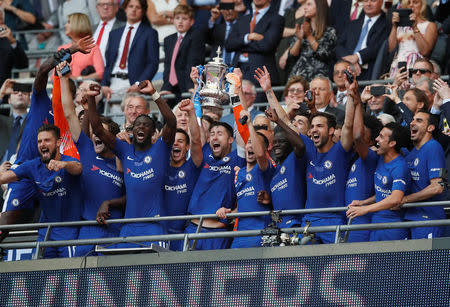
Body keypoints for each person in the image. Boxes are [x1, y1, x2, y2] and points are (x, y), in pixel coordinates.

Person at [1, 39, 92, 232]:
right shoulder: (41, 101)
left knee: (54, 224)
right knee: (6, 222)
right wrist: (69, 50)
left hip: (55, 174)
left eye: (67, 91)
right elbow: (42, 70)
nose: (61, 93)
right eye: (59, 88)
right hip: (26, 171)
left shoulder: (71, 118)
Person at [88, 80, 176, 249]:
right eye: (137, 125)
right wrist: (92, 99)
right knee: (124, 274)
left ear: (151, 132)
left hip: (154, 227)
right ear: (132, 130)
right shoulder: (124, 150)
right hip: (128, 228)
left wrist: (153, 94)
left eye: (146, 125)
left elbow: (171, 122)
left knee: (156, 274)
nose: (141, 127)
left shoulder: (160, 148)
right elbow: (98, 129)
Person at [57, 62, 125, 257]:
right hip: (87, 230)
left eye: (101, 132)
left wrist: (110, 203)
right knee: (81, 285)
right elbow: (69, 113)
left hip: (115, 230)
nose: (97, 135)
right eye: (95, 131)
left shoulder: (123, 160)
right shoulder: (87, 151)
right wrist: (63, 78)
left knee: (110, 286)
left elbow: (133, 194)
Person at [0, 124, 83, 258]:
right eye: (39, 141)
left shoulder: (67, 161)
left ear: (58, 143)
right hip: (46, 230)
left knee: (70, 274)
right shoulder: (32, 166)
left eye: (47, 140)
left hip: (69, 229)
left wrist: (63, 165)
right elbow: (3, 178)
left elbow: (78, 167)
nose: (42, 144)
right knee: (46, 274)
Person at [216, 109, 274, 248]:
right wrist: (228, 213)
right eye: (249, 142)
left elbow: (260, 155)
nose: (251, 146)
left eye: (255, 143)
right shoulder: (239, 173)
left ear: (265, 150)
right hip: (240, 235)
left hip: (261, 234)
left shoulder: (265, 168)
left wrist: (249, 124)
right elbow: (243, 206)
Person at [186, 121, 245, 250]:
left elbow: (242, 135)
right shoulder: (205, 155)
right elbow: (195, 139)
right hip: (193, 229)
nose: (215, 137)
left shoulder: (237, 159)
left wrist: (238, 104)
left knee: (217, 271)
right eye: (212, 134)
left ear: (230, 139)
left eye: (219, 134)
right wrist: (191, 111)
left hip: (218, 234)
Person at [347, 122, 411, 241]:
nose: (376, 139)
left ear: (392, 143)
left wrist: (365, 209)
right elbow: (384, 194)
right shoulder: (381, 159)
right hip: (376, 224)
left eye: (381, 137)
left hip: (393, 227)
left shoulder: (399, 166)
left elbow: (395, 198)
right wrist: (363, 202)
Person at [345, 80, 383, 242]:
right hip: (349, 225)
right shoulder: (353, 160)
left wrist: (358, 103)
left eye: (359, 129)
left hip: (364, 228)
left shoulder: (372, 158)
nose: (355, 133)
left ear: (373, 140)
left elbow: (358, 136)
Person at [163, 99, 202, 251]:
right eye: (173, 141)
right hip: (161, 233)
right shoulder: (161, 167)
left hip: (185, 233)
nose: (176, 144)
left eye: (180, 141)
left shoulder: (192, 166)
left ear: (187, 147)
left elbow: (197, 141)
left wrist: (191, 113)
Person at [101, 0, 159, 101]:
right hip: (112, 84)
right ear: (125, 9)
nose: (133, 10)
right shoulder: (114, 34)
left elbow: (152, 63)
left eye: (138, 7)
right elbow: (108, 62)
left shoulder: (150, 33)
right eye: (131, 6)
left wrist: (139, 84)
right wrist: (104, 84)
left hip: (133, 84)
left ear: (143, 11)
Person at [402, 111, 445, 239]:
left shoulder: (433, 147)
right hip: (411, 217)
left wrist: (405, 200)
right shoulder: (412, 153)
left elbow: (437, 187)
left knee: (427, 259)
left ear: (430, 128)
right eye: (413, 120)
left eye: (419, 121)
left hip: (429, 218)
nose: (412, 123)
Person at [225, 0, 284, 87]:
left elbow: (267, 46)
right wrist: (247, 38)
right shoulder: (242, 19)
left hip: (261, 74)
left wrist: (240, 46)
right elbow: (229, 45)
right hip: (237, 72)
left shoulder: (277, 19)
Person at [161, 4, 205, 104]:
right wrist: (166, 86)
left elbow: (193, 62)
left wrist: (191, 85)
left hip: (187, 86)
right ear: (173, 20)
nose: (180, 21)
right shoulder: (168, 40)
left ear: (191, 22)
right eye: (177, 18)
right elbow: (168, 65)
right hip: (172, 87)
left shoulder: (196, 37)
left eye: (184, 18)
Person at [335, 0, 389, 80]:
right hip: (347, 71)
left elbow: (379, 45)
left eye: (373, 1)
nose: (369, 4)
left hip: (370, 72)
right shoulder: (353, 24)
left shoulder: (387, 23)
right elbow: (339, 46)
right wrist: (350, 61)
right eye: (366, 1)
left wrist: (358, 57)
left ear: (381, 2)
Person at [288, 0, 337, 82]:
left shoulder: (330, 32)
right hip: (298, 77)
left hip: (318, 79)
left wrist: (309, 36)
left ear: (319, 7)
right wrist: (299, 39)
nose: (305, 7)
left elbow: (323, 54)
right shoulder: (302, 29)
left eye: (309, 4)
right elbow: (292, 55)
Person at [388, 0, 437, 77]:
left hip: (417, 68)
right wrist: (394, 26)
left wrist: (414, 27)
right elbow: (391, 49)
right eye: (408, 3)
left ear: (422, 6)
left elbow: (425, 51)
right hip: (399, 66)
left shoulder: (429, 25)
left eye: (415, 2)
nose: (411, 5)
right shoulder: (399, 26)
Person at [58, 13, 104, 80]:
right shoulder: (62, 49)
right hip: (64, 88)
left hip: (83, 88)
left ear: (78, 24)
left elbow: (100, 74)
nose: (65, 25)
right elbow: (54, 75)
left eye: (68, 22)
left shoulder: (93, 48)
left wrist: (78, 78)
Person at [276, 0, 307, 83]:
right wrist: (296, 31)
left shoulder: (311, 13)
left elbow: (305, 34)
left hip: (297, 56)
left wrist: (287, 52)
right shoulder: (290, 11)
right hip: (280, 53)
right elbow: (279, 31)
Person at [0, 79, 30, 162]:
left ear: (30, 101)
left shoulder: (33, 122)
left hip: (23, 170)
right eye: (15, 92)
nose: (20, 94)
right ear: (9, 100)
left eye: (24, 93)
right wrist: (1, 93)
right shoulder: (2, 121)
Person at [205, 0, 239, 65]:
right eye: (225, 8)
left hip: (237, 68)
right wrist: (213, 19)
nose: (229, 11)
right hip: (216, 68)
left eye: (231, 7)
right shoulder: (217, 28)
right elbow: (205, 38)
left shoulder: (243, 26)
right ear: (221, 10)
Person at [0, 12, 28, 88]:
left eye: (1, 19)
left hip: (4, 92)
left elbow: (22, 65)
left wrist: (13, 41)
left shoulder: (7, 40)